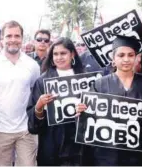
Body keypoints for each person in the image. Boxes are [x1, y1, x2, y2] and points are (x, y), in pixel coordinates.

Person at [77, 35, 142, 166]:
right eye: (121, 55)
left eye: (130, 55)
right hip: (107, 155)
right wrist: (81, 112)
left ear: (136, 57)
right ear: (113, 59)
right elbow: (87, 122)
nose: (126, 59)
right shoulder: (99, 85)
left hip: (140, 156)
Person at [0, 20, 40, 166]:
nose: (13, 40)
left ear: (22, 38)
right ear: (2, 38)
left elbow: (33, 91)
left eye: (17, 36)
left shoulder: (32, 65)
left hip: (26, 129)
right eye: (9, 36)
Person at [27, 37, 84, 165]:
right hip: (52, 145)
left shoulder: (85, 78)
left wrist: (85, 109)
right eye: (55, 54)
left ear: (72, 54)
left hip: (78, 146)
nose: (59, 57)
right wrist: (39, 106)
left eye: (63, 53)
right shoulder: (42, 81)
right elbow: (33, 125)